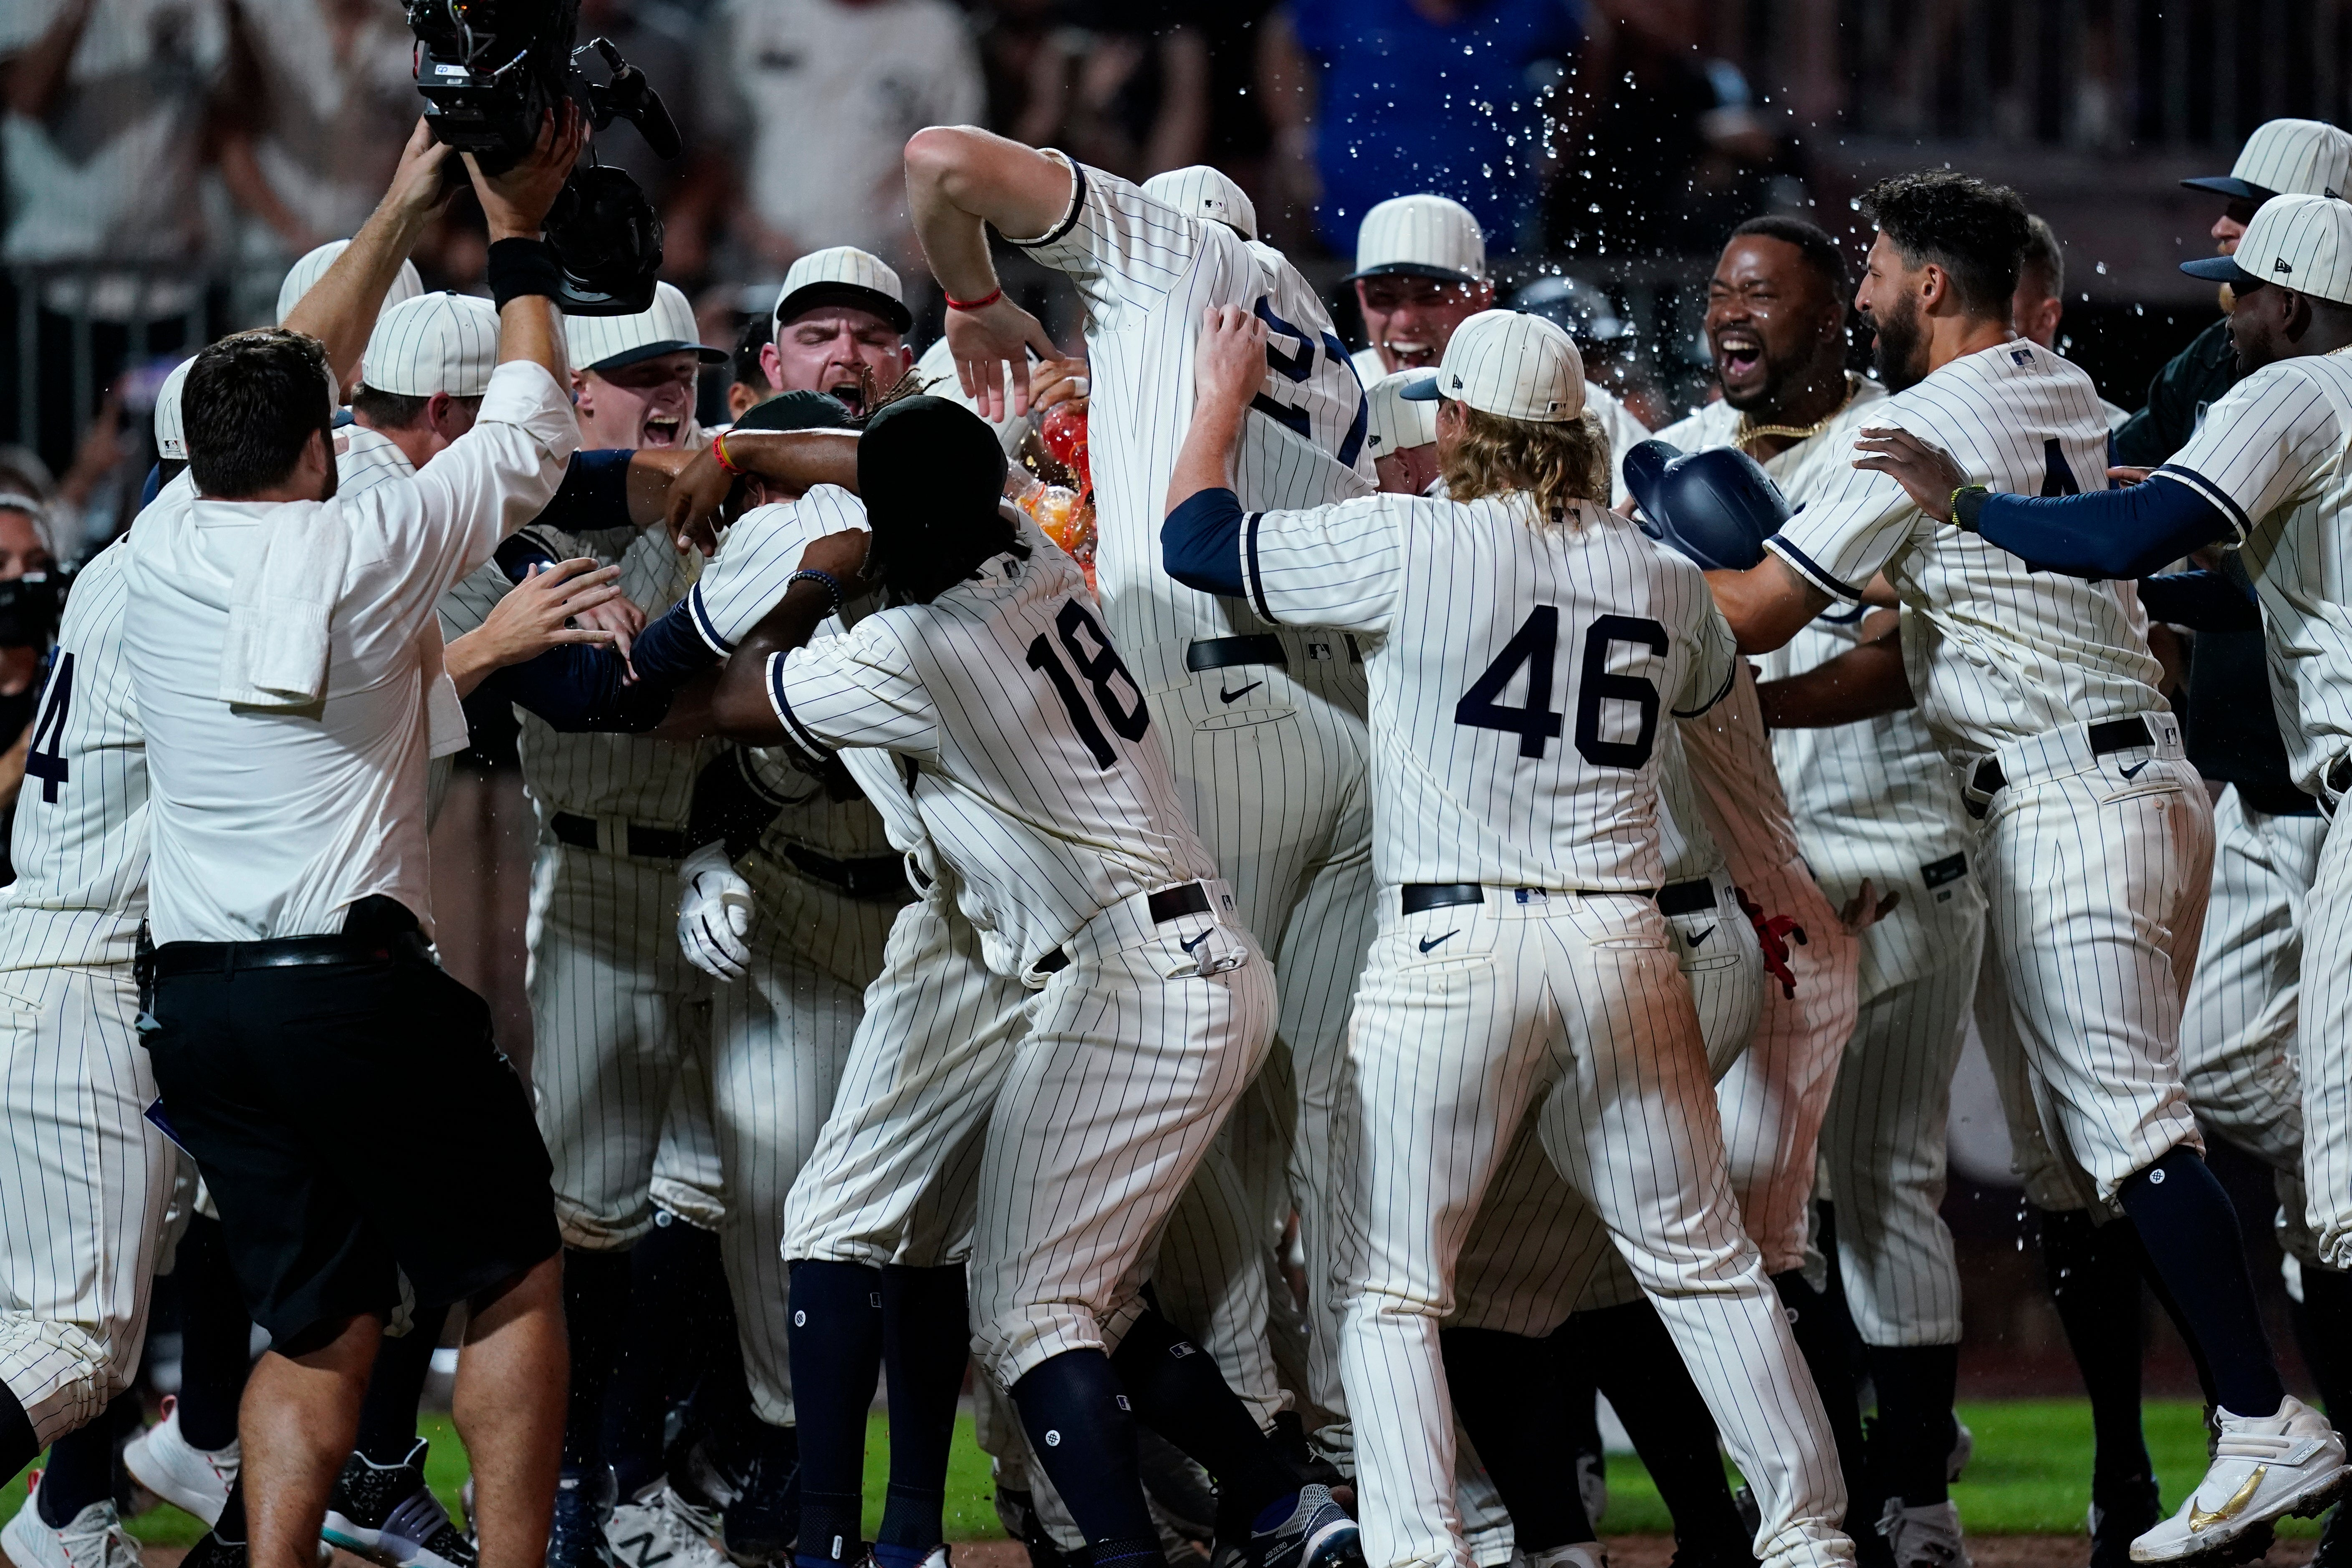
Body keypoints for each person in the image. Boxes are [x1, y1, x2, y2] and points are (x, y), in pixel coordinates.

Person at [1703, 167, 2344, 1565]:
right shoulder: (2053, 382)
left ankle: (2258, 1418)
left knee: (2129, 1127)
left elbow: (1756, 608)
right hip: (2134, 781)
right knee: (2105, 1144)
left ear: (1932, 286)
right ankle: (2198, 1450)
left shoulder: (1920, 419)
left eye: (1873, 270)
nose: (1860, 292)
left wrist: (1589, 579)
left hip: (2067, 791)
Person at [1162, 303, 1854, 1568]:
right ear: (1581, 433)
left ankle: (1426, 1552)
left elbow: (1198, 541)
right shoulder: (1661, 575)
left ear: (1464, 421)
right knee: (1705, 1267)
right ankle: (1809, 1538)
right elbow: (1722, 713)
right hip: (1625, 947)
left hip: (1456, 948)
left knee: (1390, 1290)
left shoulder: (1413, 540)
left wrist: (1216, 397)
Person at [702, 394, 1359, 1568]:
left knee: (1031, 1310)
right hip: (1175, 944)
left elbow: (732, 694)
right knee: (1076, 1295)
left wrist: (809, 569)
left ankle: (1123, 1547)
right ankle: (1276, 1501)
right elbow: (911, 473)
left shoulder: (921, 644)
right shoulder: (1030, 546)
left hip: (1129, 974)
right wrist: (746, 448)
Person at [117, 105, 585, 1568]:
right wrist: (515, 225)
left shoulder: (155, 542)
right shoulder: (376, 537)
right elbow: (533, 420)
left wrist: (399, 200)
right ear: (325, 443)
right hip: (350, 989)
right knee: (508, 1272)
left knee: (320, 1321)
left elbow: (289, 370)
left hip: (194, 1003)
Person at [903, 132, 1369, 1477]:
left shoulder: (1168, 256)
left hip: (1209, 717)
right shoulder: (1324, 346)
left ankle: (1247, 1447)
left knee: (1177, 1103)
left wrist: (979, 295)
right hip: (1343, 729)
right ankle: (1355, 1448)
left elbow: (943, 161)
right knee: (1332, 1116)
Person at [1633, 215, 1983, 1568]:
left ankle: (1919, 1501)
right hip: (1768, 884)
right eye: (1718, 286)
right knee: (1775, 1203)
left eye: (1763, 294)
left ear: (1832, 314)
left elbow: (1906, 656)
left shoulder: (1888, 441)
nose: (1731, 310)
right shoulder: (1693, 462)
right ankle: (1835, 1488)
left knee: (1885, 1183)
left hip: (1898, 853)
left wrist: (1745, 701)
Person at [1343, 195, 1653, 470]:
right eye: (1383, 297)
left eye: (1430, 297)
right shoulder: (1333, 397)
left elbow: (1657, 506)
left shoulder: (1557, 398)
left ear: (1481, 298)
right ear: (1360, 296)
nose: (1405, 320)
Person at [1257, 0, 1581, 258]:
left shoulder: (1531, 9)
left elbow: (1589, 41)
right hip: (1349, 230)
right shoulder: (1345, 8)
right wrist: (1295, 135)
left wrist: (1559, 145)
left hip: (1493, 238)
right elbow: (1285, 34)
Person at [695, 0, 983, 270]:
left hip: (886, 266)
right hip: (762, 261)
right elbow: (715, 140)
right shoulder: (747, 15)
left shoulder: (936, 28)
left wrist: (926, 236)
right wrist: (750, 226)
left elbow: (962, 149)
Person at [761, 248, 920, 419]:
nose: (847, 356)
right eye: (817, 339)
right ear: (775, 367)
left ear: (904, 369)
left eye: (871, 341)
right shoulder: (732, 445)